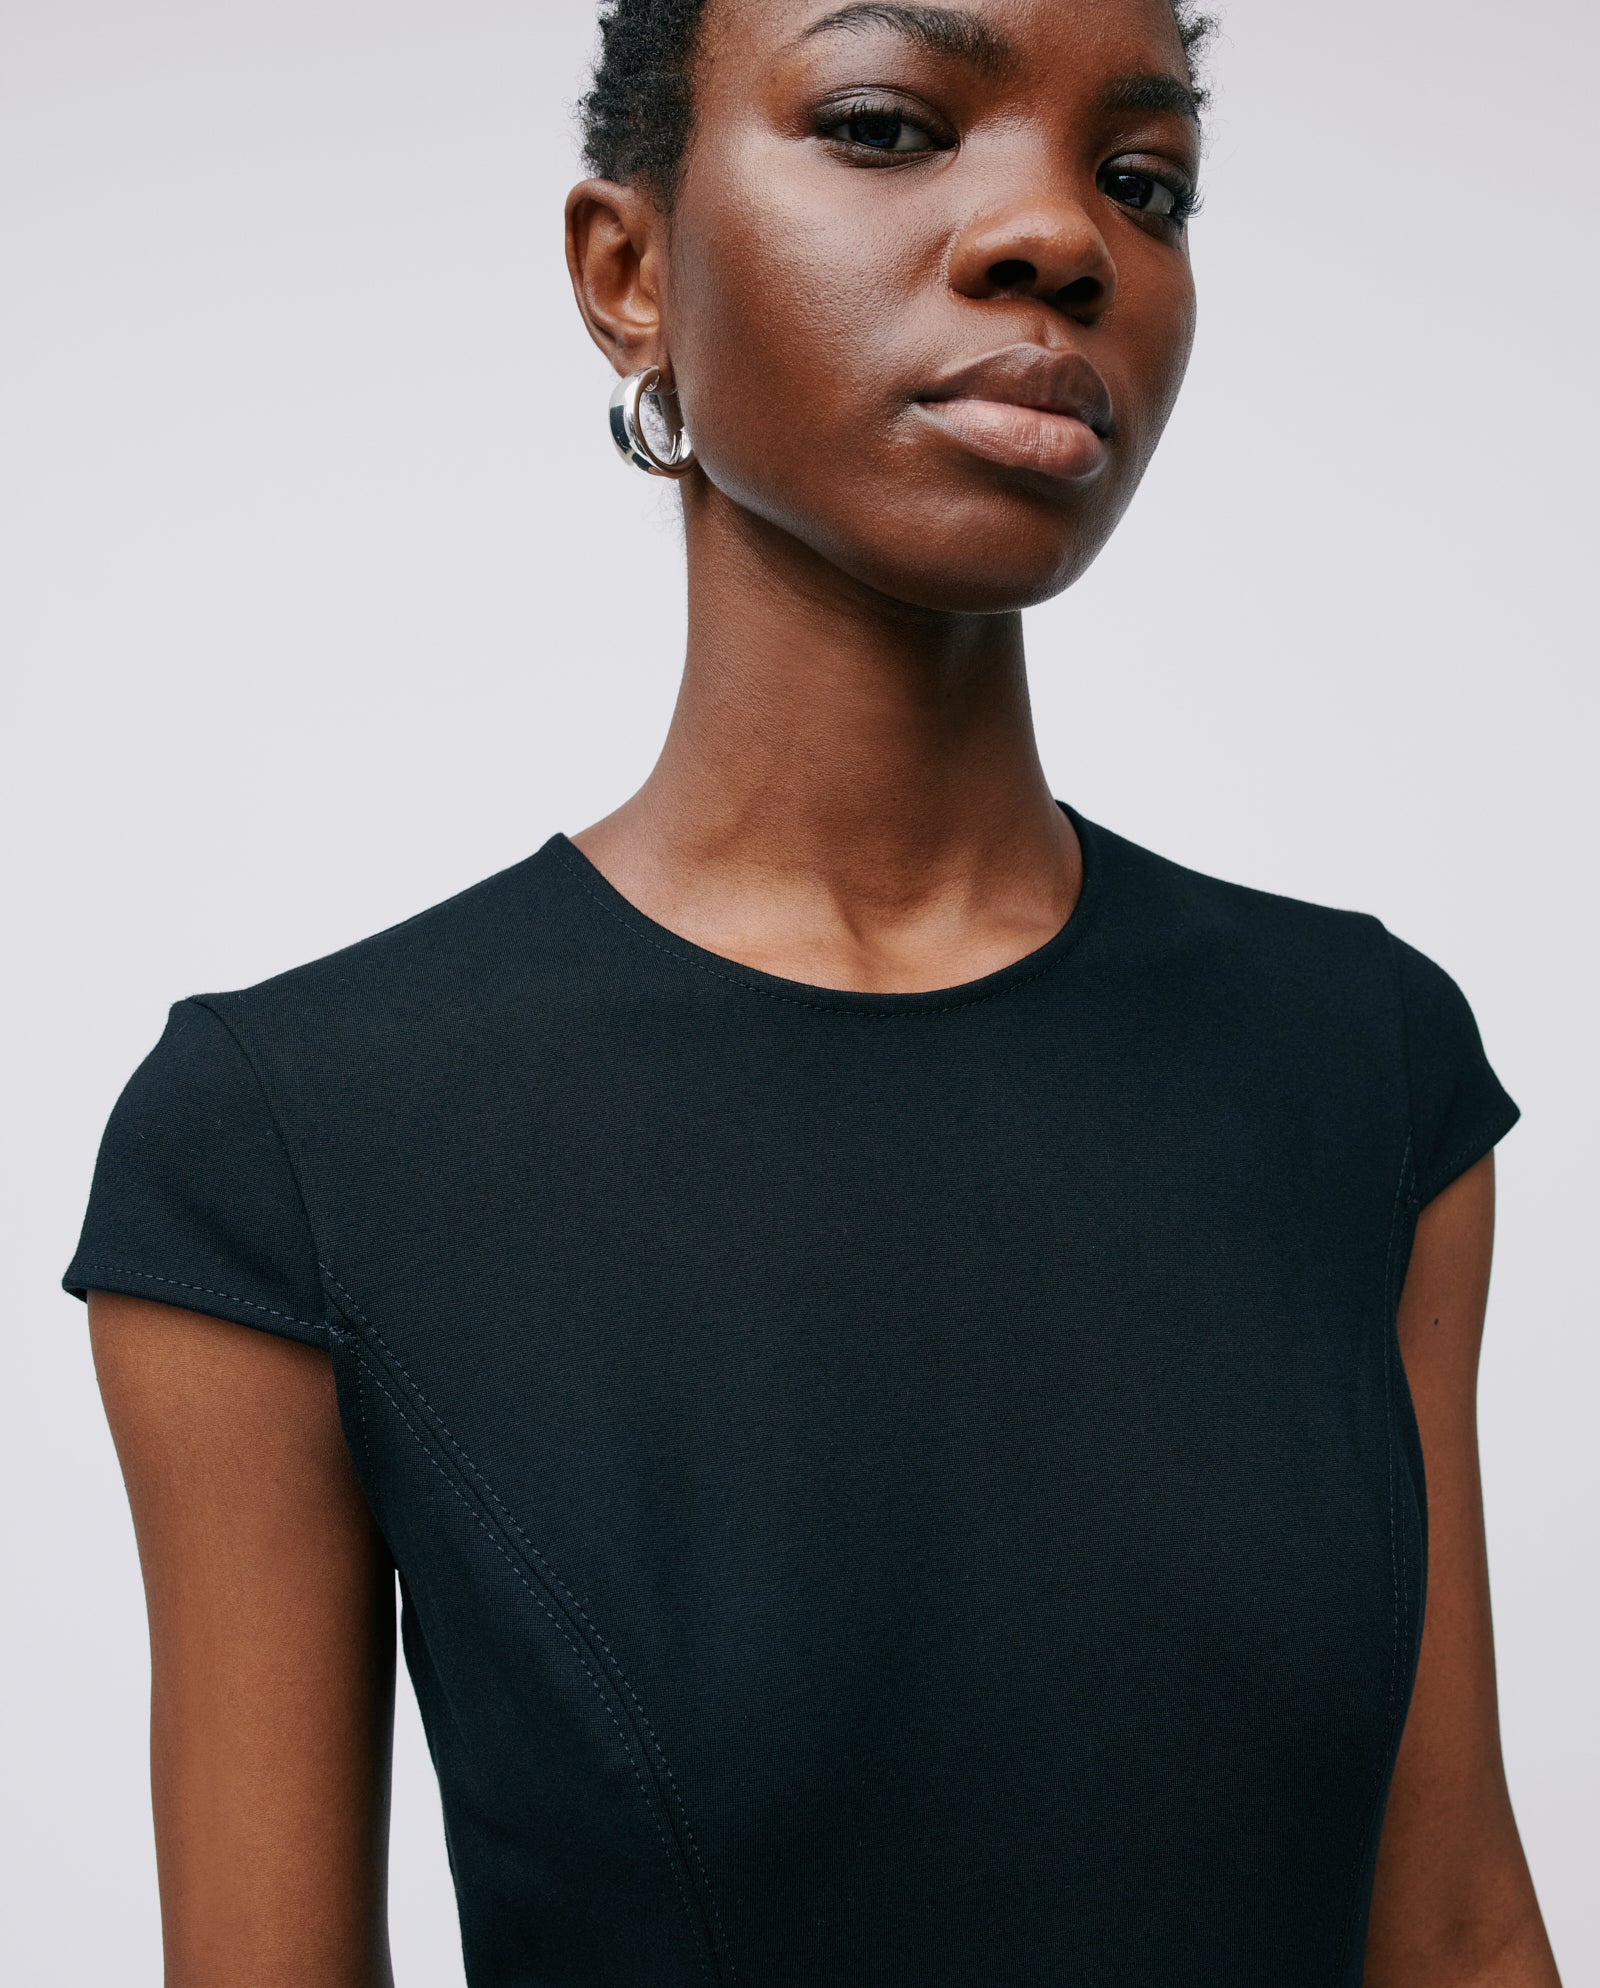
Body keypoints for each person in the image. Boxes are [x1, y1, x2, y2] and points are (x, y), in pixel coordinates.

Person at [66, 2, 1563, 1983]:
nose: (1057, 239)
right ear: (627, 274)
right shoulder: (288, 1144)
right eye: (882, 124)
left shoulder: (1358, 1070)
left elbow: (1451, 1927)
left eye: (1142, 180)